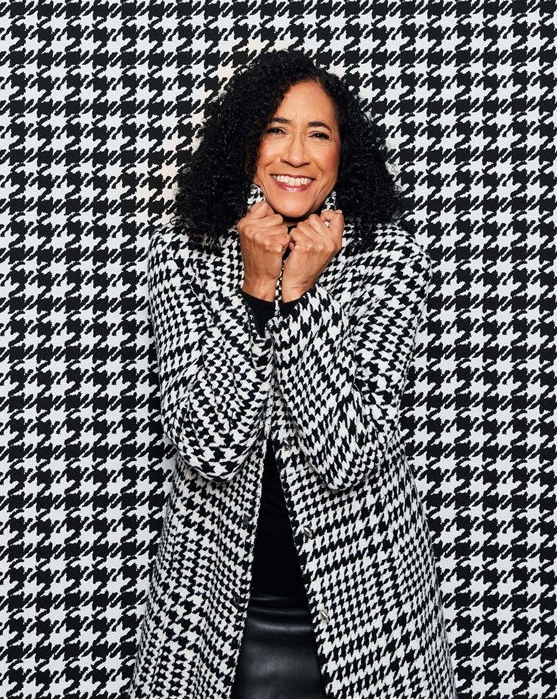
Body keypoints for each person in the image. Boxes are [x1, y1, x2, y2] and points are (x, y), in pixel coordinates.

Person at [128, 48, 458, 699]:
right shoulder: (185, 254)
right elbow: (206, 447)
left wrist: (302, 297)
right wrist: (257, 291)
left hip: (373, 612)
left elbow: (349, 455)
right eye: (276, 129)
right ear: (247, 145)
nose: (297, 155)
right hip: (209, 610)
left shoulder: (389, 259)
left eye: (319, 134)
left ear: (343, 154)